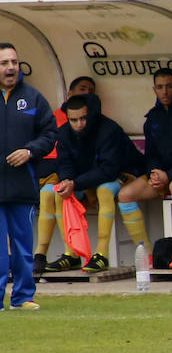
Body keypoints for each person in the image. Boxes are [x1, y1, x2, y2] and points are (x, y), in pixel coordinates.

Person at [45, 94, 144, 273]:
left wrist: (76, 183)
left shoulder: (109, 129)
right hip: (88, 178)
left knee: (104, 191)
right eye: (74, 120)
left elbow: (109, 170)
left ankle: (101, 255)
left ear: (90, 114)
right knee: (61, 192)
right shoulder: (64, 132)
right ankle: (72, 254)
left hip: (125, 173)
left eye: (83, 118)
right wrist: (67, 180)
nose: (79, 124)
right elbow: (64, 162)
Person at [116, 69, 172, 269]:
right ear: (154, 89)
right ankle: (147, 256)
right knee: (125, 195)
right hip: (163, 176)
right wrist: (154, 171)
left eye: (169, 86)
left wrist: (168, 175)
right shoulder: (153, 118)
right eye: (160, 87)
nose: (165, 92)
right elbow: (151, 154)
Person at [0, 42, 56, 310]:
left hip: (23, 185)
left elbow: (50, 134)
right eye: (4, 63)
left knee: (23, 247)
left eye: (14, 62)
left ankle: (23, 297)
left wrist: (29, 151)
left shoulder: (34, 98)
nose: (11, 67)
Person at [33, 76, 95, 278]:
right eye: (82, 89)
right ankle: (40, 254)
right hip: (53, 172)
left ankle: (71, 253)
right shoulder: (54, 119)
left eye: (90, 90)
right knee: (47, 193)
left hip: (76, 177)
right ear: (69, 95)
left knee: (58, 193)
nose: (87, 93)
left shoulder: (92, 119)